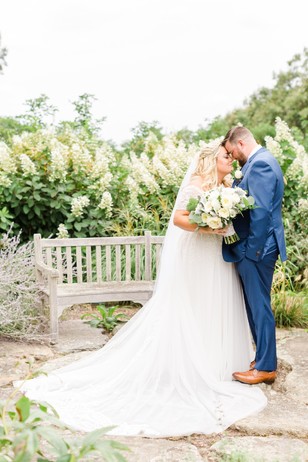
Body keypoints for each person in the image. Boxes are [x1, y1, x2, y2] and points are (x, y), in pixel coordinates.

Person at [17, 139, 266, 437]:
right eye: (226, 156)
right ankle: (189, 367)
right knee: (195, 304)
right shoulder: (196, 184)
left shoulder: (226, 186)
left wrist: (223, 220)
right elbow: (179, 219)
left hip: (217, 257)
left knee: (215, 304)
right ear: (212, 159)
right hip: (197, 255)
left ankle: (216, 364)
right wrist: (208, 225)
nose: (231, 160)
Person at [221, 126, 287, 385]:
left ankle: (266, 367)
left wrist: (252, 252)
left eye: (231, 151)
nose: (232, 156)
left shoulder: (260, 164)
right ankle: (262, 358)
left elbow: (260, 213)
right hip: (256, 246)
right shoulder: (259, 162)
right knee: (255, 304)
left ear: (240, 143)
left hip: (257, 248)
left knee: (259, 306)